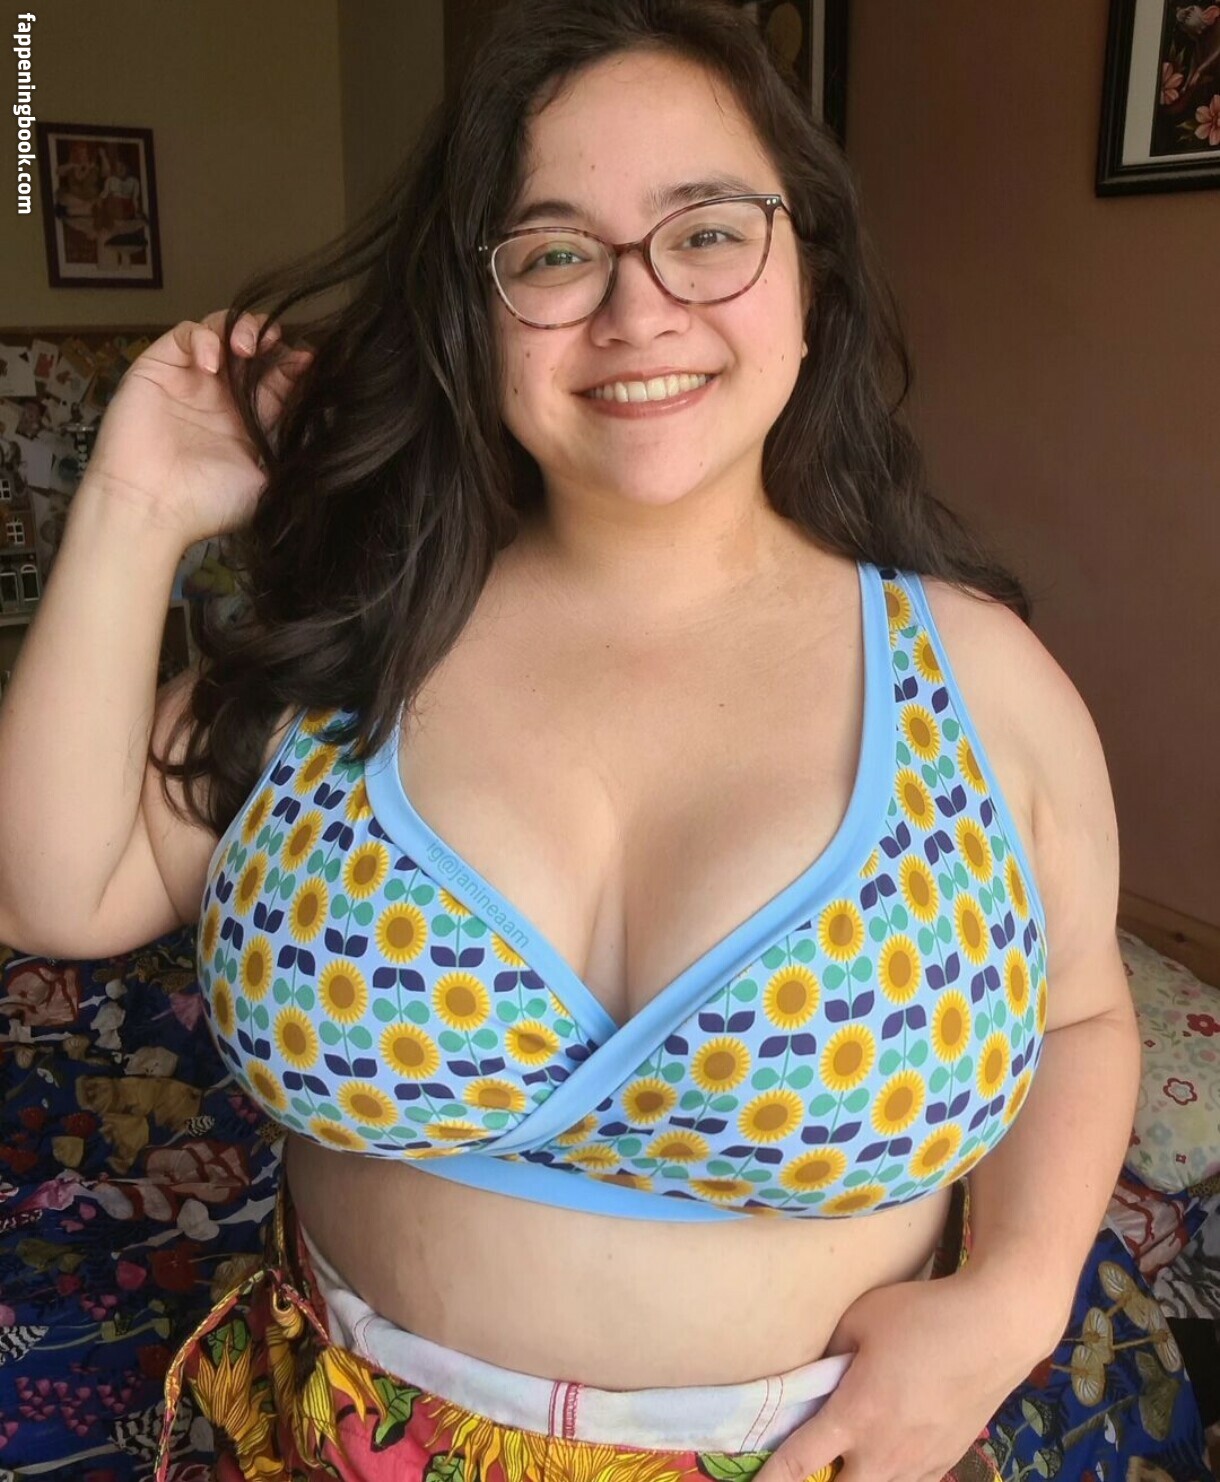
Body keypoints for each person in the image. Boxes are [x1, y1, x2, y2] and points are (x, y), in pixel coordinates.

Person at [0, 1, 1142, 1479]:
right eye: (551, 253)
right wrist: (135, 508)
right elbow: (48, 891)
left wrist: (1015, 1300)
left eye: (708, 233)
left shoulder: (977, 679)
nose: (637, 310)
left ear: (810, 275)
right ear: (471, 316)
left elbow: (1079, 1016)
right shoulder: (353, 643)